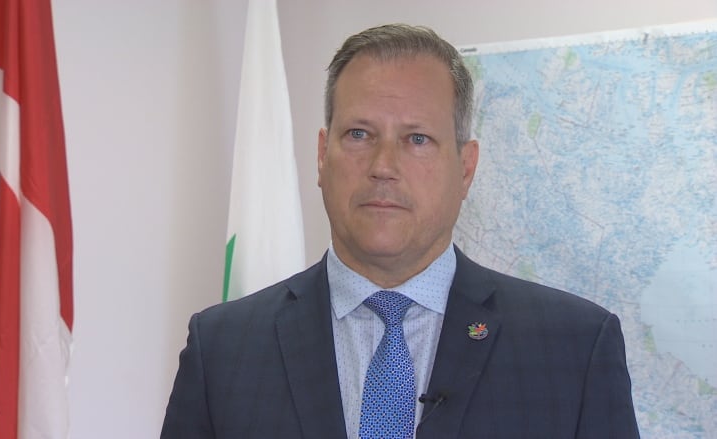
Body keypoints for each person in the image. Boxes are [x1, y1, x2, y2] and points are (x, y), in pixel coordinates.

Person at [161, 24, 640, 438]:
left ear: (466, 168)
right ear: (322, 156)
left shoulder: (573, 348)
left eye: (417, 139)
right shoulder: (223, 349)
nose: (383, 166)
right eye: (359, 135)